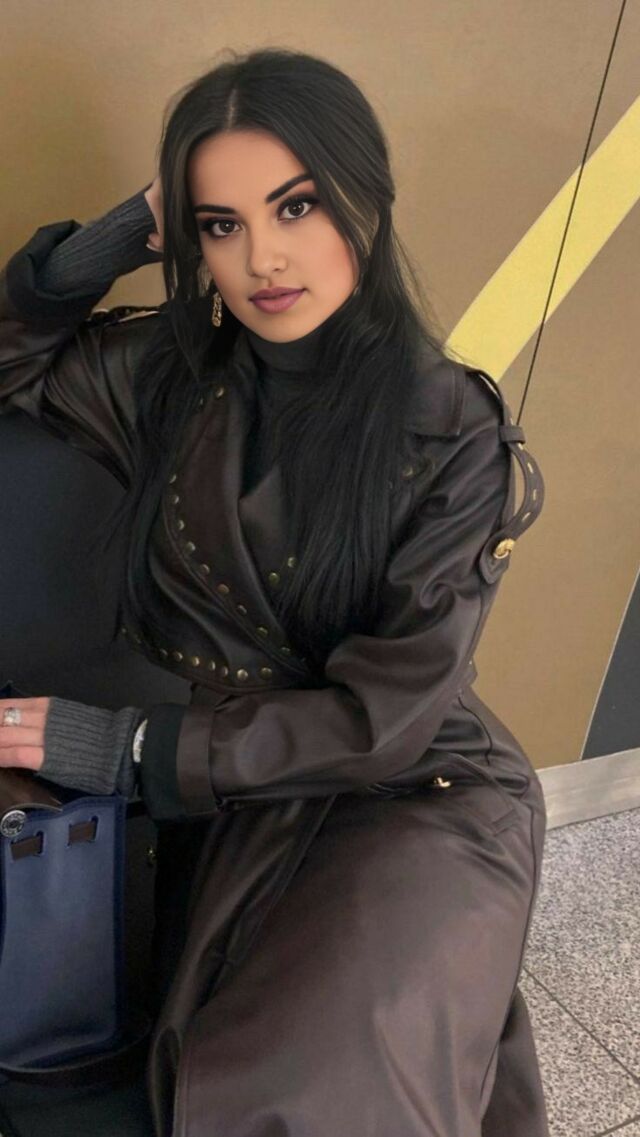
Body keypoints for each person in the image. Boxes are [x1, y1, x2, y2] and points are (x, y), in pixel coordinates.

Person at [0, 46, 549, 1137]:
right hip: (240, 794)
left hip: (416, 791)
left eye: (297, 205)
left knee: (311, 1091)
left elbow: (383, 721)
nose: (264, 257)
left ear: (367, 197)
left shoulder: (454, 432)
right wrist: (122, 234)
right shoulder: (169, 376)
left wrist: (128, 750)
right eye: (221, 223)